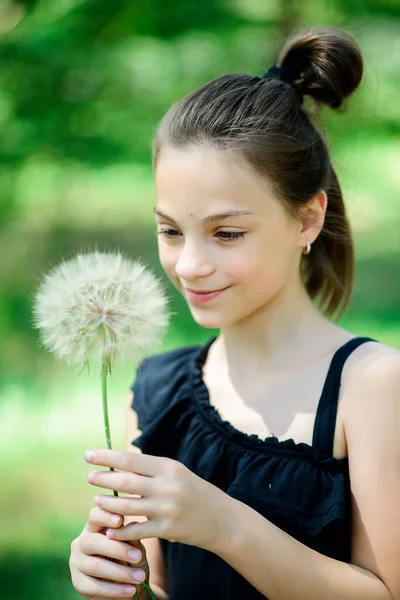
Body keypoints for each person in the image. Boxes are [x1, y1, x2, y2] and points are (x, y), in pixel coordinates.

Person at [69, 25, 400, 600]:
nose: (191, 264)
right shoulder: (154, 394)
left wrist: (225, 525)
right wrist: (114, 579)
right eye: (170, 230)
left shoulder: (371, 389)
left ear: (307, 219)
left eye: (226, 233)